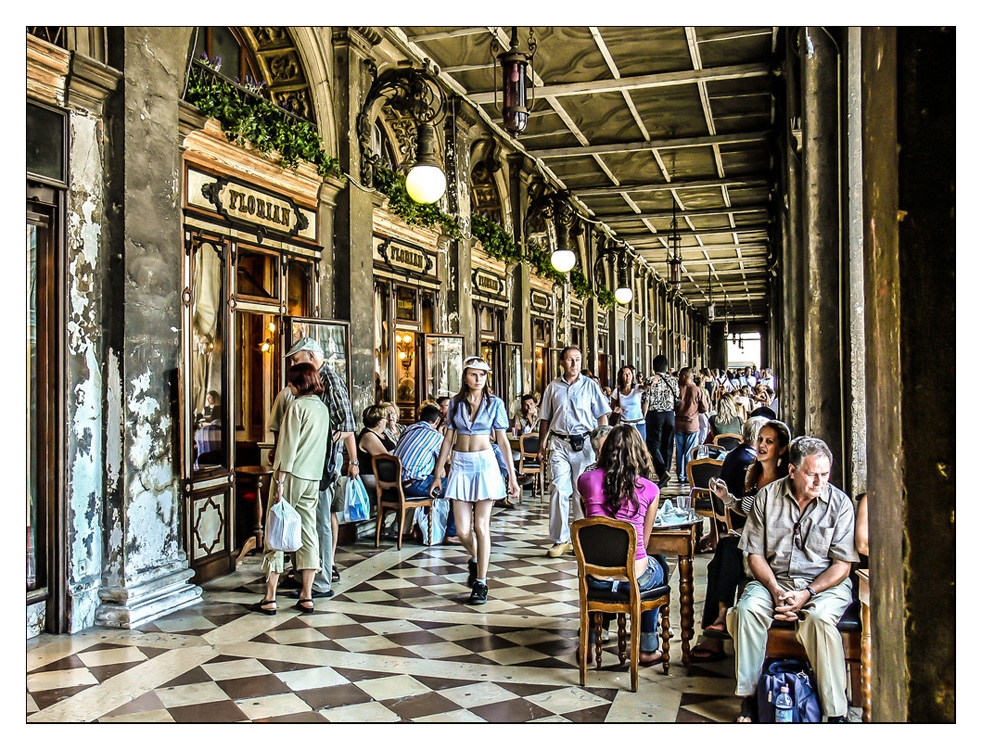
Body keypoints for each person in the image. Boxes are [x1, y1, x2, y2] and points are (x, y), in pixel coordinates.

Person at [728, 436, 859, 723]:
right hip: (773, 580)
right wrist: (775, 590)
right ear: (792, 471)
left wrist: (807, 594)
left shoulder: (840, 505)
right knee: (746, 611)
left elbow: (842, 566)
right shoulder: (767, 498)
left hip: (824, 585)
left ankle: (836, 712)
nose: (819, 482)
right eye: (812, 474)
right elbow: (754, 555)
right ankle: (749, 698)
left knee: (820, 620)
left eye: (825, 474)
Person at [687, 416, 778, 662]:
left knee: (727, 551)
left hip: (774, 541)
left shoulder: (781, 478)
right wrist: (728, 499)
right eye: (759, 439)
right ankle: (717, 623)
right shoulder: (753, 470)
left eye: (768, 441)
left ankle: (717, 625)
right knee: (723, 554)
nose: (760, 445)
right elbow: (748, 507)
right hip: (752, 535)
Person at [430, 356, 520, 604]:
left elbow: (502, 441)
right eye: (473, 374)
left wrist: (512, 477)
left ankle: (481, 582)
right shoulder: (456, 403)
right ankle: (477, 557)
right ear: (465, 377)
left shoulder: (495, 403)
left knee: (481, 526)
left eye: (482, 374)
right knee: (461, 530)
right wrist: (438, 475)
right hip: (460, 464)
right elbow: (447, 440)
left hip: (485, 465)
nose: (478, 379)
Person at [577, 424, 667, 665]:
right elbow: (643, 544)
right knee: (661, 567)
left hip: (594, 575)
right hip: (633, 578)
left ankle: (587, 641)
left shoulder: (585, 480)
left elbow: (587, 522)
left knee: (600, 568)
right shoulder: (651, 489)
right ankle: (647, 646)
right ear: (640, 453)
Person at [253, 363, 331, 616]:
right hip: (313, 477)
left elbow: (287, 445)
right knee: (309, 533)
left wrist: (281, 482)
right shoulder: (322, 408)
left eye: (290, 382)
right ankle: (307, 596)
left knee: (277, 529)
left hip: (292, 475)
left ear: (299, 382)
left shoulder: (297, 407)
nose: (288, 386)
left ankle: (270, 597)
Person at [283, 337, 359, 592]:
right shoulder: (311, 385)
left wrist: (320, 438)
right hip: (309, 460)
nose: (293, 365)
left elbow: (348, 425)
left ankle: (321, 579)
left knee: (320, 522)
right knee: (307, 521)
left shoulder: (331, 380)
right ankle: (303, 573)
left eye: (296, 360)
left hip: (323, 461)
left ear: (312, 358)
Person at [537, 346, 611, 557]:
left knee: (582, 490)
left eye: (577, 360)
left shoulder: (590, 387)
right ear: (561, 362)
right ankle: (561, 540)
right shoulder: (552, 388)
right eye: (570, 360)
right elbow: (545, 418)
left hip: (585, 443)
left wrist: (603, 445)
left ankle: (581, 537)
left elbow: (602, 416)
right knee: (559, 489)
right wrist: (542, 444)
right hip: (559, 443)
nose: (574, 364)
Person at [393, 404, 450, 543]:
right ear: (437, 421)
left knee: (432, 479)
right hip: (413, 485)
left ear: (420, 417)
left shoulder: (407, 430)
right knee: (455, 487)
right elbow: (447, 459)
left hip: (395, 484)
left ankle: (419, 530)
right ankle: (452, 533)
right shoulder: (435, 436)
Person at [643, 354, 679, 486]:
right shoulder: (673, 380)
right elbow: (677, 396)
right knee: (668, 444)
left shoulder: (651, 379)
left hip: (654, 414)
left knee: (652, 444)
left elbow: (646, 399)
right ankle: (667, 472)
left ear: (653, 366)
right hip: (670, 415)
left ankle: (662, 471)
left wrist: (643, 415)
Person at [674, 367, 709, 486]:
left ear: (683, 376)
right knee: (689, 451)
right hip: (692, 425)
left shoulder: (678, 390)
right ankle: (688, 475)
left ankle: (680, 475)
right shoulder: (697, 390)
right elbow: (704, 408)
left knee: (679, 451)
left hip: (678, 424)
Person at [356, 405, 397, 502]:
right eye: (384, 418)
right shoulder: (368, 436)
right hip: (373, 477)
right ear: (378, 421)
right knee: (409, 487)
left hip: (386, 475)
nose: (387, 421)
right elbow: (388, 459)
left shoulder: (383, 433)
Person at [610, 365, 648, 442]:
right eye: (625, 374)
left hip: (638, 423)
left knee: (640, 449)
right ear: (621, 376)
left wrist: (648, 384)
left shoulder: (637, 388)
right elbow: (610, 407)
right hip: (624, 424)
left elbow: (644, 388)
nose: (628, 376)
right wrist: (615, 410)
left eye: (629, 373)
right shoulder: (617, 391)